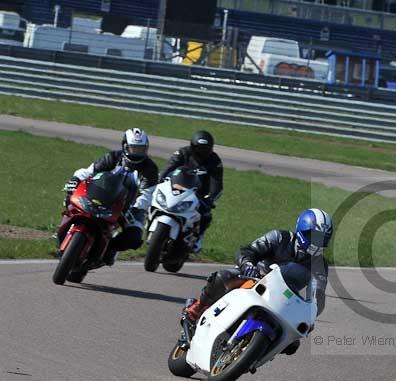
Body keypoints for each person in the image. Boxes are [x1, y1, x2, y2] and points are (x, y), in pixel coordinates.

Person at [183, 209, 334, 351]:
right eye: (314, 236)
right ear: (302, 230)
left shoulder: (320, 265)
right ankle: (197, 308)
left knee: (292, 343)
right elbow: (247, 251)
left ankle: (254, 354)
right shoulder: (280, 237)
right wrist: (248, 264)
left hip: (284, 299)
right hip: (255, 278)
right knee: (223, 277)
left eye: (322, 239)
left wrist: (311, 314)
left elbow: (318, 293)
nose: (317, 242)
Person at [64, 128, 159, 264]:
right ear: (125, 146)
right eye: (134, 149)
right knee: (70, 197)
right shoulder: (113, 157)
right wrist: (75, 179)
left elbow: (147, 193)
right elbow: (89, 171)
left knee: (134, 237)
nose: (137, 153)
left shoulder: (150, 168)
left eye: (141, 149)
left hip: (130, 206)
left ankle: (110, 249)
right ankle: (64, 227)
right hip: (101, 195)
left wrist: (135, 208)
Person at [159, 130, 224, 252]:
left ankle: (198, 238)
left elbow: (217, 183)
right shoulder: (182, 153)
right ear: (193, 147)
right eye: (200, 148)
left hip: (198, 194)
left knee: (206, 215)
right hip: (176, 187)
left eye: (206, 149)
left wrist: (211, 197)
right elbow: (168, 168)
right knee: (157, 199)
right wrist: (160, 179)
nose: (203, 152)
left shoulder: (214, 160)